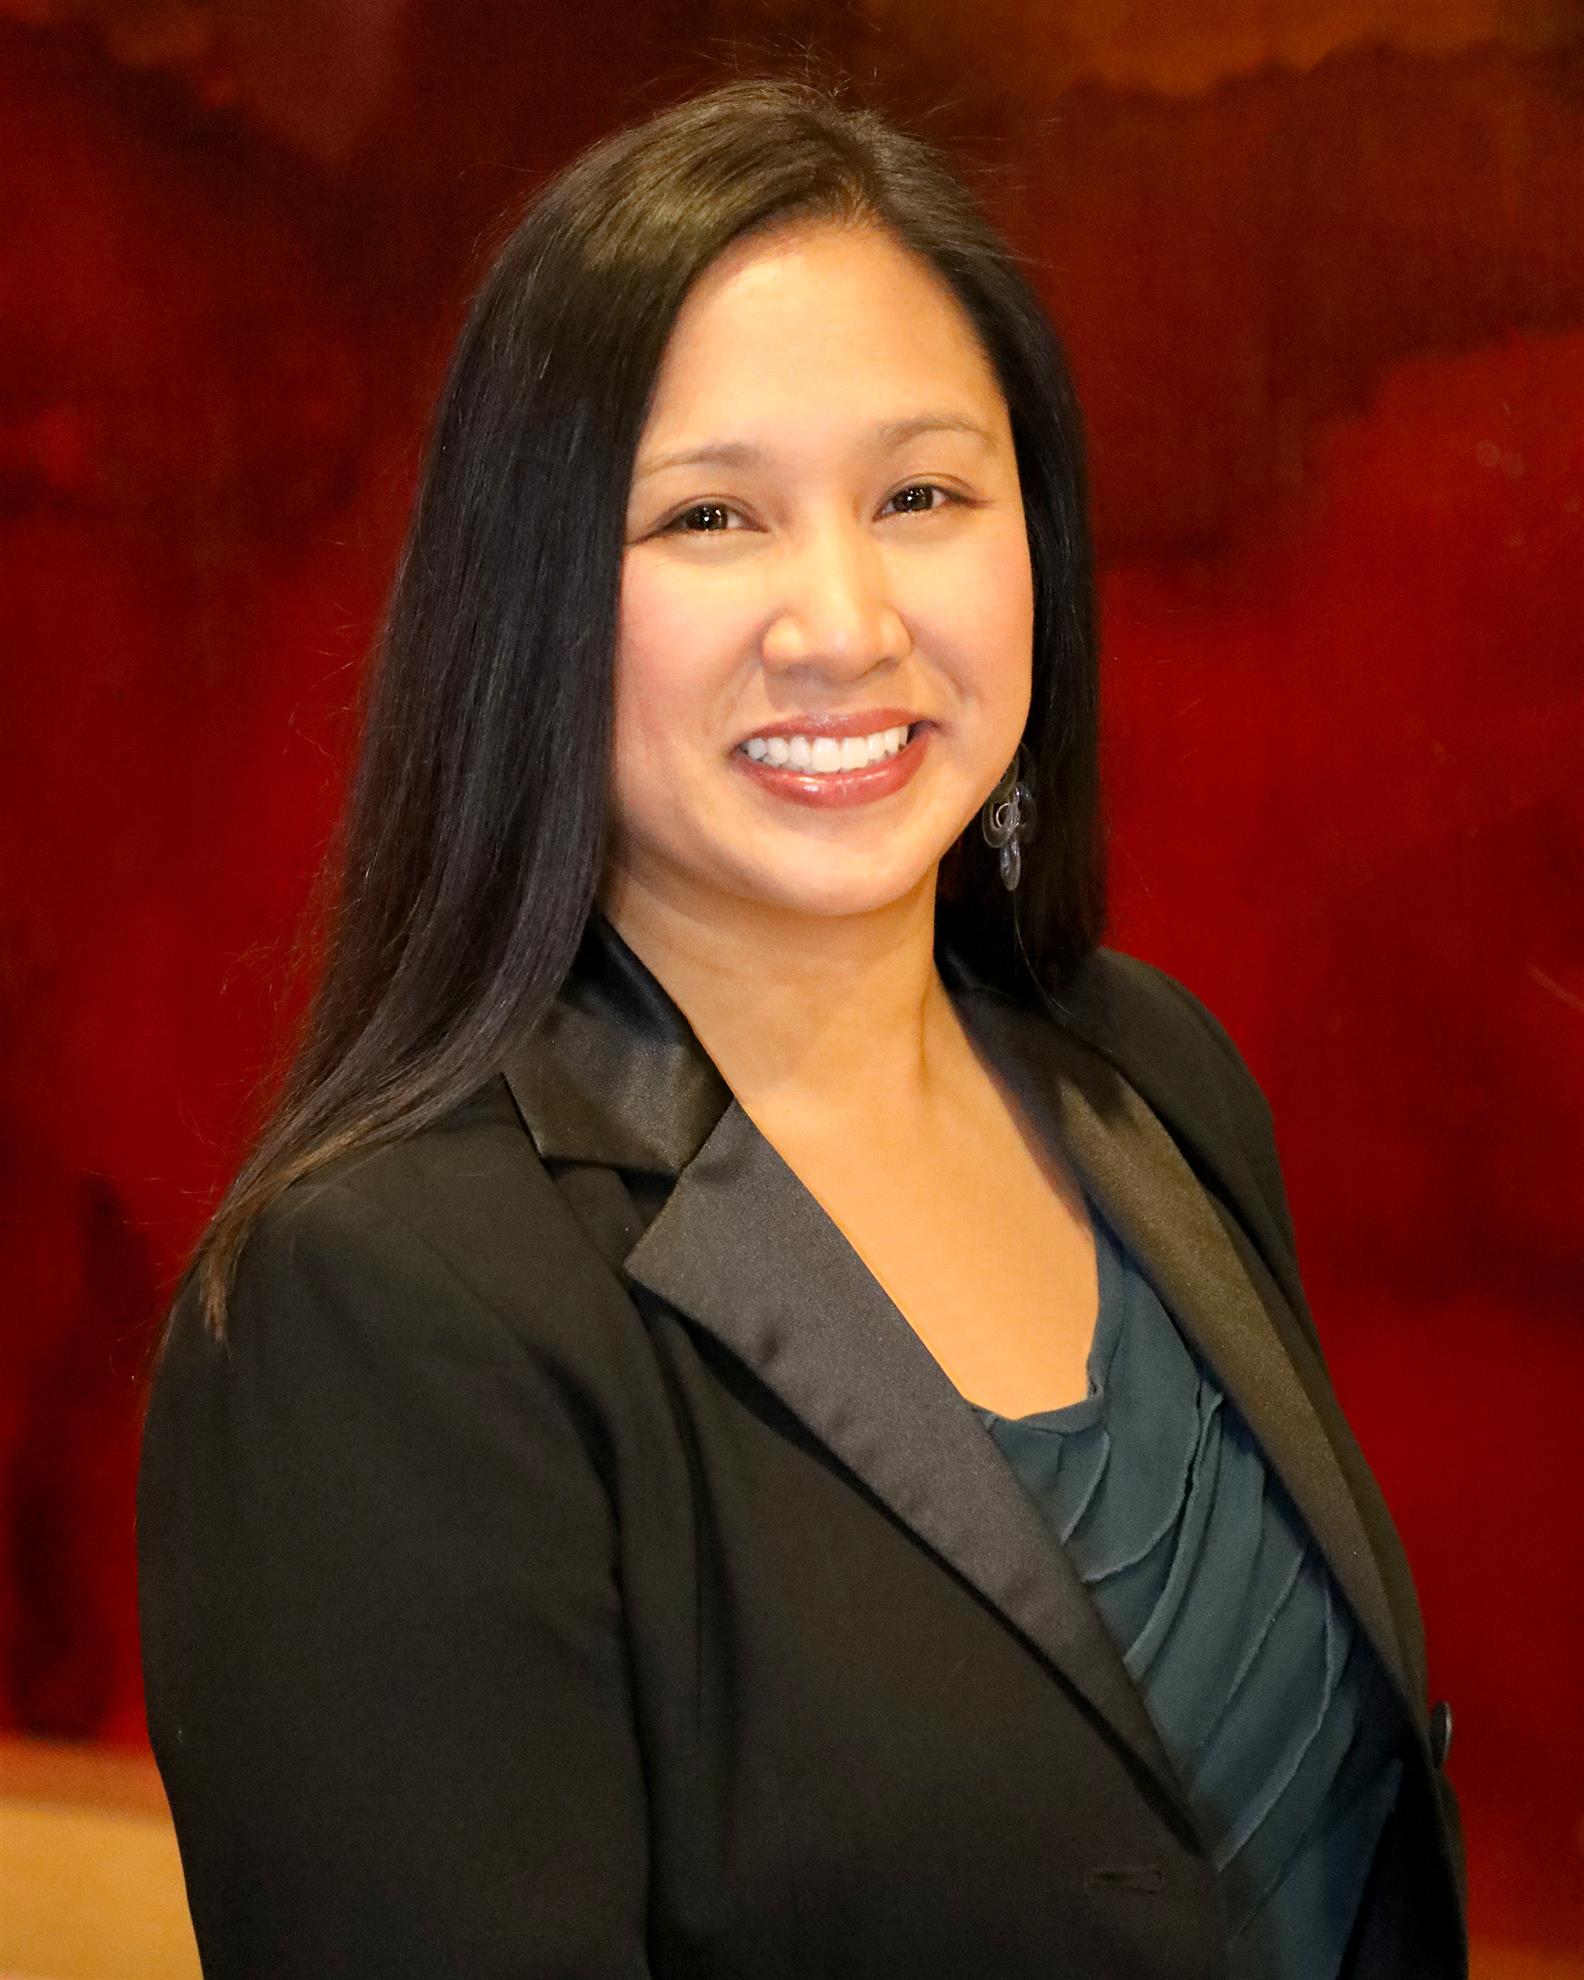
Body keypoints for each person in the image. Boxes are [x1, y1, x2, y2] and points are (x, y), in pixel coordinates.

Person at [137, 75, 1468, 1979]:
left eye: (922, 493)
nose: (842, 619)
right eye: (708, 517)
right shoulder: (385, 1310)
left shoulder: (1152, 1075)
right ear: (527, 601)